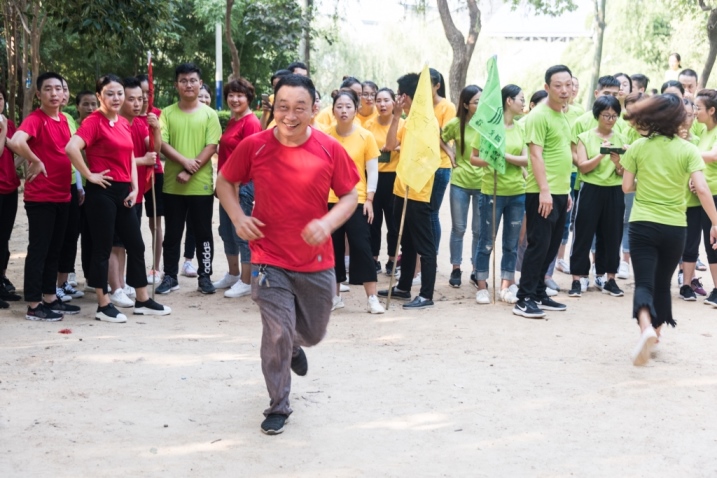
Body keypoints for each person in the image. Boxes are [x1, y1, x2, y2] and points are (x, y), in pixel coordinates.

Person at [216, 74, 359, 435]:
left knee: (313, 332)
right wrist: (238, 217)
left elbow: (349, 195)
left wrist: (327, 223)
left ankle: (296, 345)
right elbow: (225, 181)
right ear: (273, 106)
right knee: (277, 330)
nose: (290, 116)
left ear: (314, 110)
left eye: (299, 108)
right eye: (283, 107)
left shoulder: (330, 148)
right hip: (268, 256)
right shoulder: (254, 146)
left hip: (316, 260)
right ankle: (278, 404)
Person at [620, 93, 717, 365]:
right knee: (663, 284)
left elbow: (626, 187)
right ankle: (657, 331)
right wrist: (716, 222)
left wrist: (646, 182)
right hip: (675, 226)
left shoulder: (638, 147)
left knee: (644, 283)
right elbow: (702, 189)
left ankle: (646, 328)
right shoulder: (688, 150)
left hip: (643, 224)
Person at [66, 74, 171, 323]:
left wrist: (135, 187)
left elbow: (130, 157)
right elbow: (71, 147)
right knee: (102, 248)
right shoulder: (94, 121)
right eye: (110, 93)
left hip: (125, 191)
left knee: (136, 245)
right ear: (100, 96)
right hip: (102, 191)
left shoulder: (123, 122)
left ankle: (142, 300)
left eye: (119, 93)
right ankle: (103, 304)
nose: (116, 98)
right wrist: (89, 175)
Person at [8, 72, 79, 321]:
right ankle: (34, 304)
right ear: (39, 94)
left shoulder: (63, 120)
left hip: (63, 195)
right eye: (48, 89)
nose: (54, 93)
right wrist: (35, 160)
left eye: (58, 88)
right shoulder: (36, 119)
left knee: (54, 250)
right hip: (41, 197)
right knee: (39, 250)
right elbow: (16, 141)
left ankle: (50, 297)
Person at [155, 63, 222, 295]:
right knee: (172, 234)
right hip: (172, 185)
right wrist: (184, 162)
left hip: (200, 186)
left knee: (203, 234)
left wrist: (190, 170)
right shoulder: (167, 113)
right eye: (183, 81)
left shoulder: (209, 114)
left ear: (200, 83)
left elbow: (211, 146)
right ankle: (170, 276)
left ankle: (205, 276)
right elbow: (162, 144)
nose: (188, 85)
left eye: (193, 80)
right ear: (176, 85)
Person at [513, 65, 573, 319]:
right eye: (558, 85)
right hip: (541, 193)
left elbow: (560, 154)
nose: (564, 90)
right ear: (547, 87)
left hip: (559, 192)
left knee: (550, 248)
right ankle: (523, 299)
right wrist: (545, 191)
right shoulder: (539, 115)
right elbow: (535, 156)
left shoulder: (562, 114)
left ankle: (538, 292)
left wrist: (565, 191)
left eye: (568, 84)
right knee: (538, 246)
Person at [377, 72, 438, 309]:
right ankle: (403, 287)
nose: (396, 98)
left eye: (398, 94)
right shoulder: (408, 119)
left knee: (424, 244)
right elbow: (390, 145)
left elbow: (429, 158)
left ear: (405, 96)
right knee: (407, 243)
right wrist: (396, 117)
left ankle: (426, 295)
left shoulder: (428, 122)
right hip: (401, 188)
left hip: (418, 191)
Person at [104, 77, 162, 308]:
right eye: (131, 99)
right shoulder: (110, 123)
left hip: (135, 193)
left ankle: (122, 283)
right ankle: (116, 288)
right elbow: (113, 161)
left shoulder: (138, 124)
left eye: (141, 98)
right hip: (115, 191)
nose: (138, 103)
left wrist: (156, 129)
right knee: (114, 243)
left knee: (128, 243)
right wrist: (141, 161)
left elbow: (154, 151)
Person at [326, 90, 384, 313]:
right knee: (333, 248)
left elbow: (372, 170)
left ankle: (372, 298)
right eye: (339, 106)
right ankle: (335, 297)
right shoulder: (325, 136)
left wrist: (369, 198)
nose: (343, 111)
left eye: (348, 106)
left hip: (357, 199)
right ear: (333, 110)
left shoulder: (365, 136)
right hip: (330, 199)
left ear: (356, 109)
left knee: (362, 246)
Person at [471, 84, 527, 304]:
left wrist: (503, 157)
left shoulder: (521, 128)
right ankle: (482, 286)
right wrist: (491, 160)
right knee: (486, 241)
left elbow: (526, 159)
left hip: (517, 193)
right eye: (521, 99)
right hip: (491, 192)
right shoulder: (488, 128)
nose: (524, 103)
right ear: (508, 101)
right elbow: (474, 158)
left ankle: (505, 285)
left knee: (512, 243)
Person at [568, 95, 626, 298]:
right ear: (597, 115)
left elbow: (622, 172)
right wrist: (602, 154)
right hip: (591, 188)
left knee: (612, 234)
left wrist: (617, 162)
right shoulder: (585, 137)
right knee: (583, 233)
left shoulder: (621, 138)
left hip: (614, 189)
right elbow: (583, 167)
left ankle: (609, 278)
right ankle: (577, 277)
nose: (610, 120)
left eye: (614, 116)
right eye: (606, 115)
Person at [212, 77, 261, 298]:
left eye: (240, 95)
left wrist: (237, 184)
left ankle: (247, 280)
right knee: (226, 232)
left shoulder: (251, 122)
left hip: (241, 186)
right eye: (231, 95)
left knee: (242, 233)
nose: (235, 99)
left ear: (248, 98)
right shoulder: (234, 120)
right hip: (227, 186)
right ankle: (233, 274)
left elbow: (253, 157)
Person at [442, 85, 483, 288]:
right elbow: (440, 138)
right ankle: (456, 268)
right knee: (459, 228)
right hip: (460, 181)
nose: (480, 105)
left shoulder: (487, 124)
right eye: (476, 102)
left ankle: (476, 270)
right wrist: (450, 153)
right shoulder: (455, 124)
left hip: (482, 182)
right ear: (466, 105)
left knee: (478, 230)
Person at [681, 89, 717, 302]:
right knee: (706, 243)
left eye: (698, 107)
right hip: (702, 196)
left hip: (715, 195)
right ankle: (707, 288)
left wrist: (684, 151)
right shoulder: (703, 131)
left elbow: (713, 155)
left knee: (714, 242)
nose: (694, 111)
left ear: (711, 110)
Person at [365, 88, 403, 276]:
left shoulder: (402, 124)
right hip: (374, 178)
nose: (382, 104)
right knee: (373, 221)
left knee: (393, 222)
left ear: (394, 102)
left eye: (386, 100)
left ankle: (392, 259)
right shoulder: (369, 125)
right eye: (378, 100)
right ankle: (373, 259)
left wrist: (399, 147)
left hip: (395, 177)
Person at [56, 78, 85, 302]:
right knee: (56, 237)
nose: (62, 94)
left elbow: (75, 158)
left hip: (73, 185)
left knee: (70, 235)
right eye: (58, 89)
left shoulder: (68, 119)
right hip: (54, 187)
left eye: (64, 89)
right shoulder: (38, 119)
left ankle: (63, 282)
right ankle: (51, 286)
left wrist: (80, 186)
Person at [137, 74, 165, 284]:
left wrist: (156, 127)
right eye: (141, 92)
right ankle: (133, 269)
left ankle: (156, 267)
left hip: (155, 175)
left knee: (155, 223)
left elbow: (158, 149)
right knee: (132, 223)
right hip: (133, 175)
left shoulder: (158, 115)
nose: (145, 97)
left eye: (149, 92)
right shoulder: (125, 115)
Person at [429, 68, 456, 256]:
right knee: (421, 214)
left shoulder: (447, 106)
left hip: (439, 166)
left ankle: (432, 257)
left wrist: (431, 127)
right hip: (421, 166)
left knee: (431, 214)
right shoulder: (418, 105)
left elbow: (445, 136)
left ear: (437, 86)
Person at [0, 84, 21, 308]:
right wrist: (3, 131)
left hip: (10, 187)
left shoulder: (10, 124)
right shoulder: (5, 126)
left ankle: (2, 282)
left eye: (0, 98)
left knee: (4, 237)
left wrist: (13, 167)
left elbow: (19, 149)